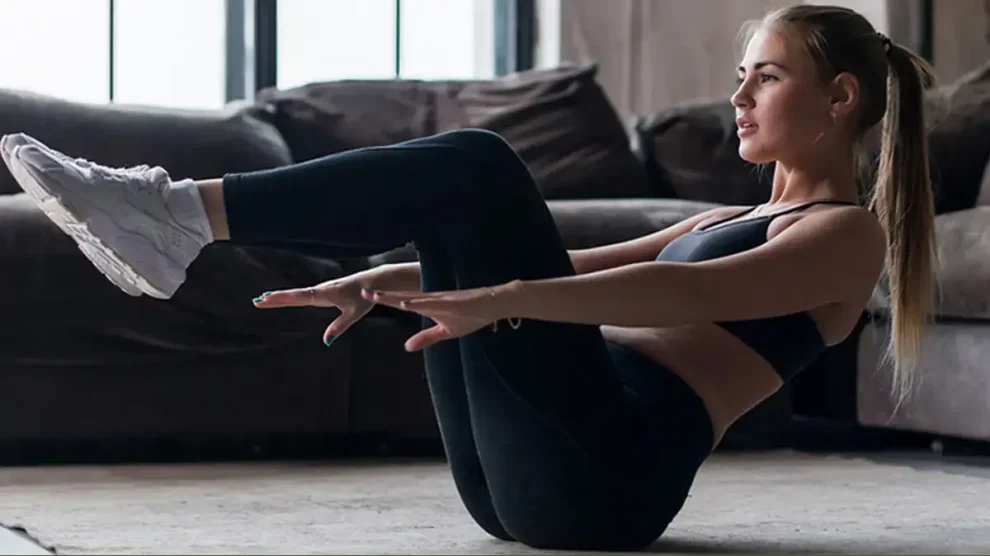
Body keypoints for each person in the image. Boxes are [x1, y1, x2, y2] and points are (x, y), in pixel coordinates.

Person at [0, 3, 936, 551]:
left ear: (840, 97)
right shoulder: (730, 217)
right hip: (525, 482)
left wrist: (505, 300)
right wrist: (391, 278)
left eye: (763, 78)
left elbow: (687, 296)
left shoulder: (845, 236)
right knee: (462, 195)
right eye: (740, 75)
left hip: (607, 483)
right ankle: (177, 220)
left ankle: (174, 213)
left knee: (480, 163)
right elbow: (558, 265)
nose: (736, 97)